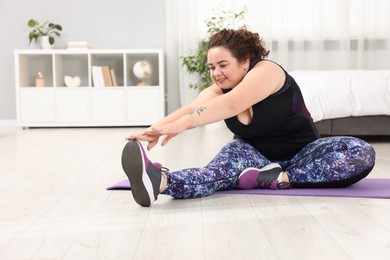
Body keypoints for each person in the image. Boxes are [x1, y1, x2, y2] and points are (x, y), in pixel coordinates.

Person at [121, 28, 376, 207]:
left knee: (361, 152)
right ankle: (159, 182)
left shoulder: (268, 71)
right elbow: (192, 108)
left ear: (245, 61)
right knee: (214, 174)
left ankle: (279, 179)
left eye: (223, 65)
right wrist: (155, 129)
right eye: (211, 67)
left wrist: (182, 126)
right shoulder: (217, 88)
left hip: (303, 153)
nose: (216, 73)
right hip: (251, 156)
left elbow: (233, 102)